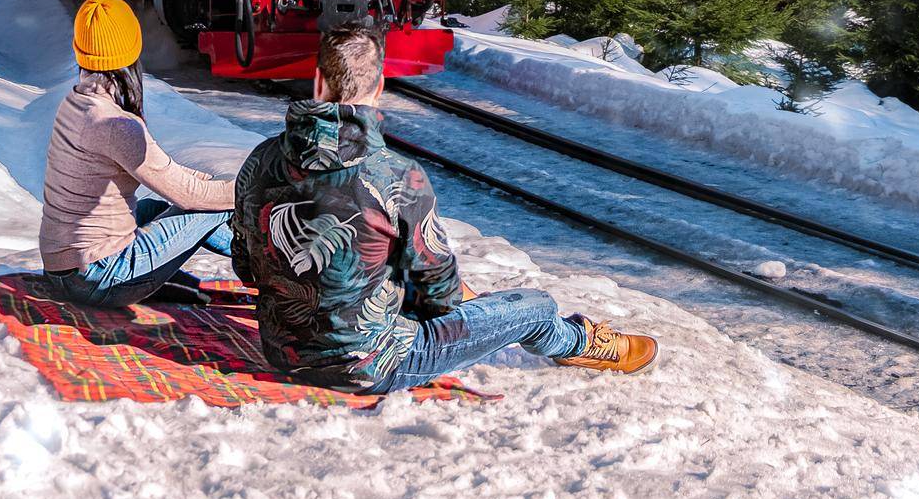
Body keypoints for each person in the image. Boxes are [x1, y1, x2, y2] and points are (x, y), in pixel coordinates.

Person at [231, 24, 658, 392]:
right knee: (535, 306)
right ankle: (578, 343)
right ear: (380, 87)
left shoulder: (259, 159)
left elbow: (247, 268)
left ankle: (571, 338)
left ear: (318, 81)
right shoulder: (398, 177)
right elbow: (441, 299)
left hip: (282, 352)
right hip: (371, 365)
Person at [40, 0, 236, 307]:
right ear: (131, 50)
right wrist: (248, 188)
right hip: (99, 276)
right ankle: (274, 268)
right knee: (214, 204)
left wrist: (204, 180)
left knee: (155, 208)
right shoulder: (115, 124)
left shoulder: (77, 102)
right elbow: (189, 196)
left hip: (62, 269)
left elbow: (169, 177)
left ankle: (258, 259)